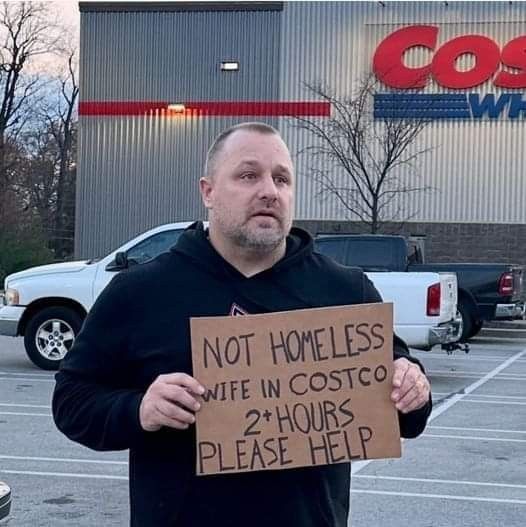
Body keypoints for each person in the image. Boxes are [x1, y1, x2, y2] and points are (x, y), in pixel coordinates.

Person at [53, 122, 431, 527]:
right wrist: (139, 409)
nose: (269, 191)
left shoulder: (346, 290)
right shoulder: (140, 292)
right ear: (208, 192)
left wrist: (413, 387)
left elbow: (405, 408)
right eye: (249, 175)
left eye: (282, 179)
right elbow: (72, 400)